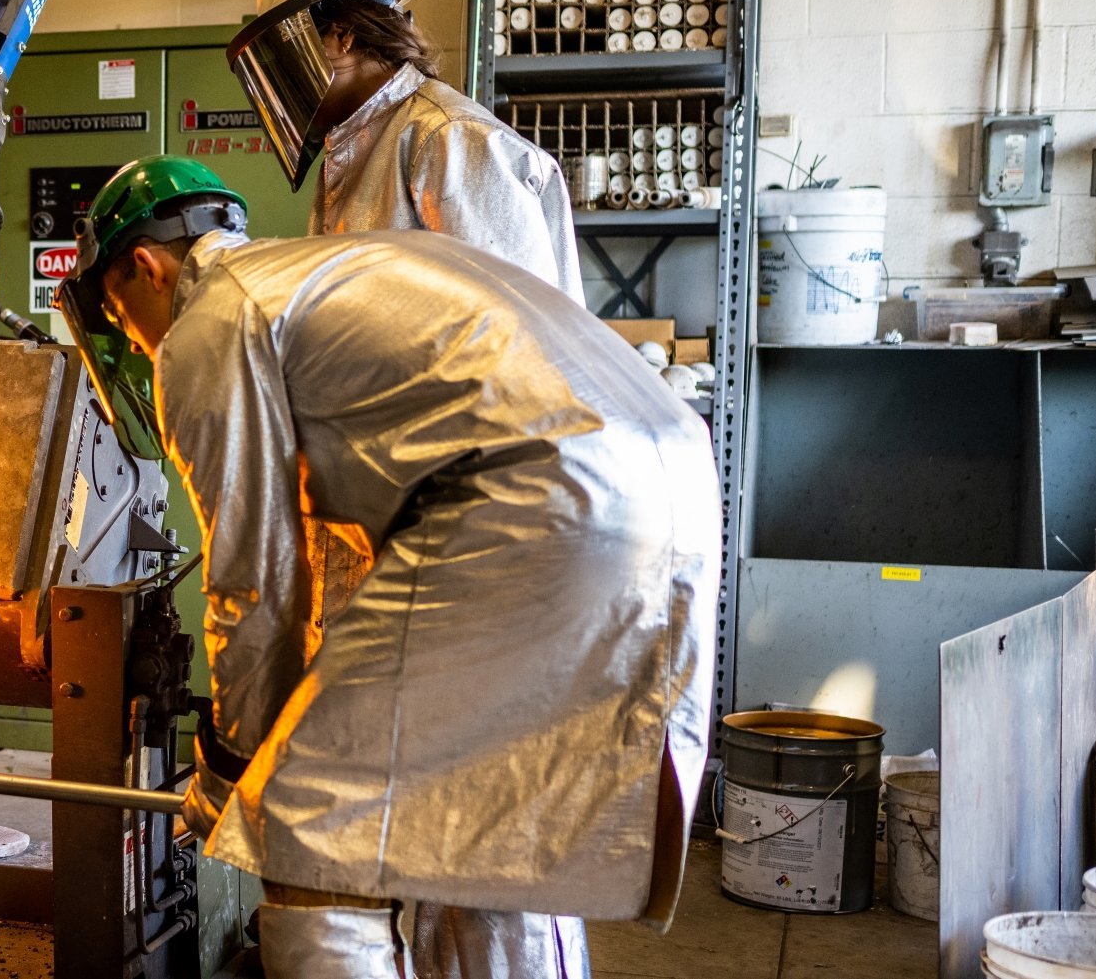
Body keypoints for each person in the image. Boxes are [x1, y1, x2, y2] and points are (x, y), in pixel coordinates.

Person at [55, 157, 718, 979]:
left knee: (305, 829)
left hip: (533, 495)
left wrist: (230, 765)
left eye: (122, 318)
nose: (131, 339)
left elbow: (256, 580)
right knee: (488, 816)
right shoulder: (300, 276)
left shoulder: (208, 323)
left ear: (146, 270)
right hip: (667, 479)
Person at [228, 0, 585, 304]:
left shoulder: (449, 138)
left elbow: (507, 331)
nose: (286, 76)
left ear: (343, 35)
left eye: (289, 55)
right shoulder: (358, 142)